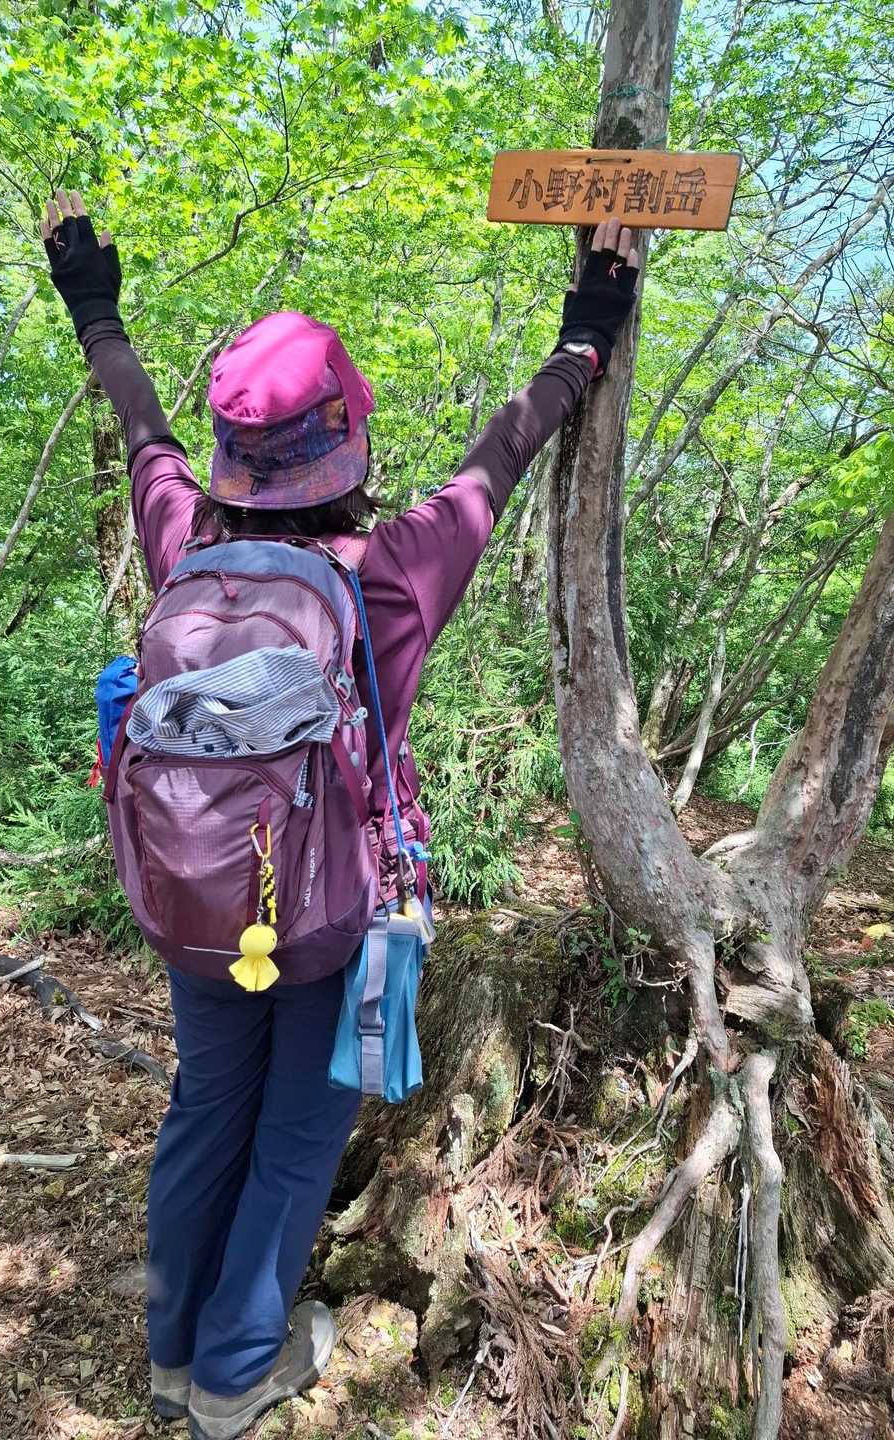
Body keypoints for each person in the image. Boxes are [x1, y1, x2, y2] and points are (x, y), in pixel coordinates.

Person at [41, 187, 639, 1440]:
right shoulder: (389, 572)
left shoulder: (184, 545)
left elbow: (142, 430)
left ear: (231, 450)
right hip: (323, 920)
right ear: (347, 444)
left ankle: (171, 1360)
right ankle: (233, 1375)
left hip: (196, 907)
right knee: (297, 1140)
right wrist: (586, 336)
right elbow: (498, 459)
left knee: (206, 1113)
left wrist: (92, 302)